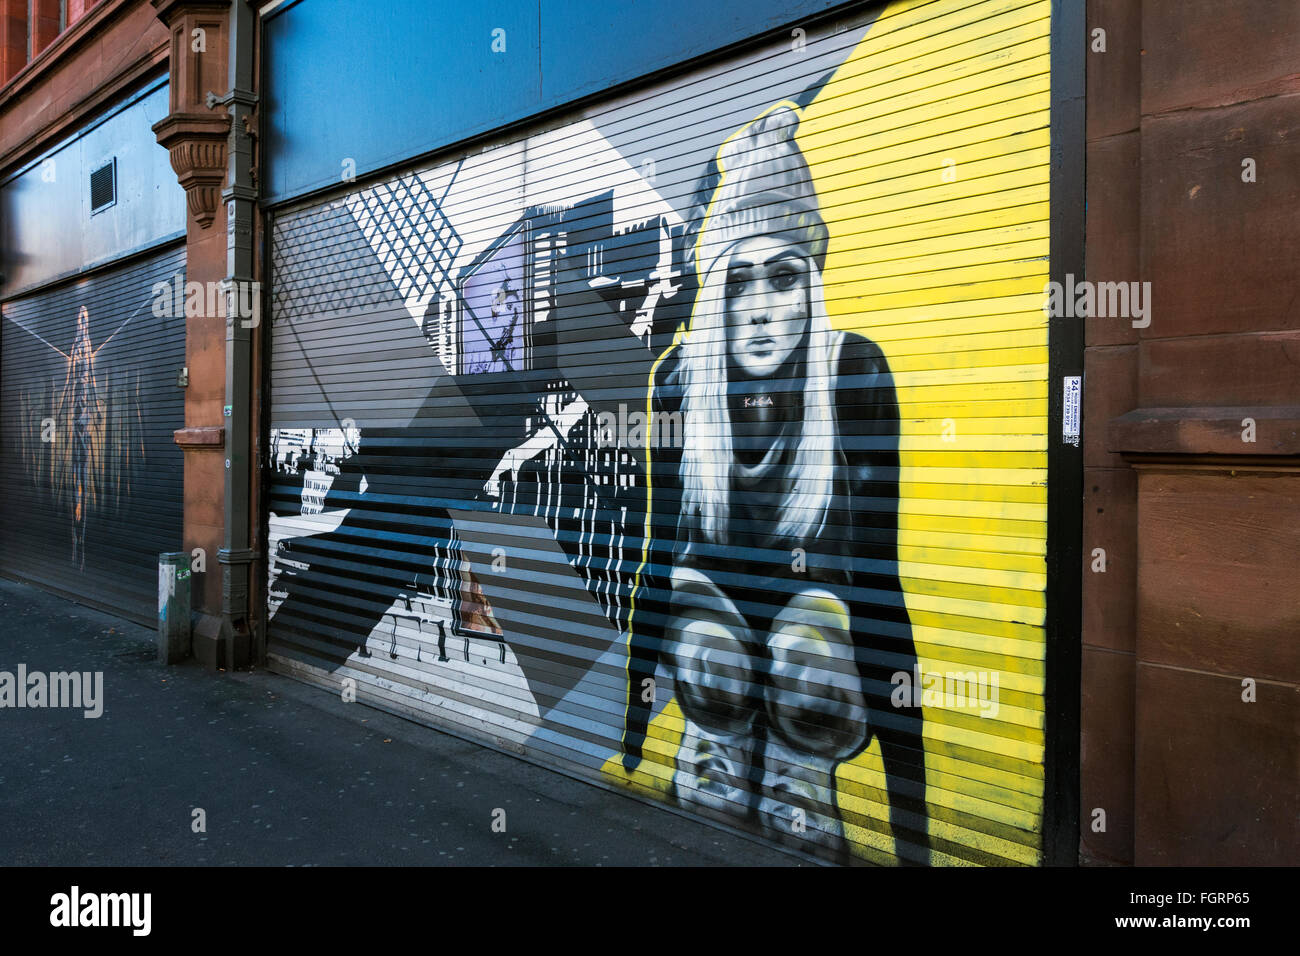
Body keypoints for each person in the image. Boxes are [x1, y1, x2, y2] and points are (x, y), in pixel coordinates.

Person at [621, 103, 927, 861]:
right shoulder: (680, 381)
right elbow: (657, 555)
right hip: (709, 650)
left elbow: (879, 580)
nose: (759, 309)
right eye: (738, 282)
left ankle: (800, 778)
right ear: (716, 296)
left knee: (809, 657)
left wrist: (911, 820)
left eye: (783, 278)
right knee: (710, 648)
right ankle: (715, 763)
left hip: (815, 661)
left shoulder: (852, 371)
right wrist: (633, 722)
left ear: (811, 284)